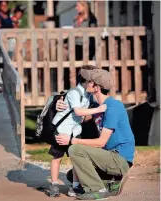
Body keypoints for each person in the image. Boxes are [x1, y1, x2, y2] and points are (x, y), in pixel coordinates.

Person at [55, 68, 135, 200]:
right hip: (108, 156)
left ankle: (99, 190)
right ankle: (112, 182)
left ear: (96, 87)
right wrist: (60, 102)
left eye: (90, 81)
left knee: (75, 149)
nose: (87, 83)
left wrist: (72, 140)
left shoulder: (113, 107)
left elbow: (101, 142)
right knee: (72, 175)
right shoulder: (95, 103)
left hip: (119, 159)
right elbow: (74, 100)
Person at [48, 65, 107, 197]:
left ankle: (74, 187)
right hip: (62, 130)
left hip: (75, 131)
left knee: (76, 159)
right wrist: (98, 110)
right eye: (93, 80)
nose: (95, 83)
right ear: (87, 81)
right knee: (57, 157)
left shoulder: (87, 94)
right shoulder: (75, 93)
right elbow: (78, 111)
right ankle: (54, 184)